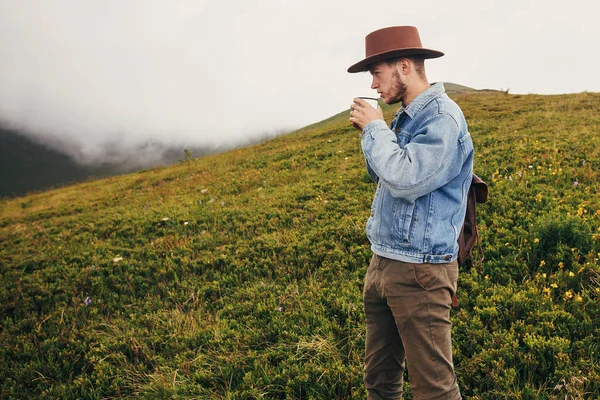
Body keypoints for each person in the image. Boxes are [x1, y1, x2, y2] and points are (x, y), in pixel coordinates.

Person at [348, 26, 473, 400]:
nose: (373, 84)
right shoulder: (405, 115)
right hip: (383, 261)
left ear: (404, 67)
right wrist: (376, 133)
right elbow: (381, 173)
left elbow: (405, 179)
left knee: (433, 389)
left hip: (422, 270)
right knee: (380, 382)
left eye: (377, 72)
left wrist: (374, 129)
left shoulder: (443, 119)